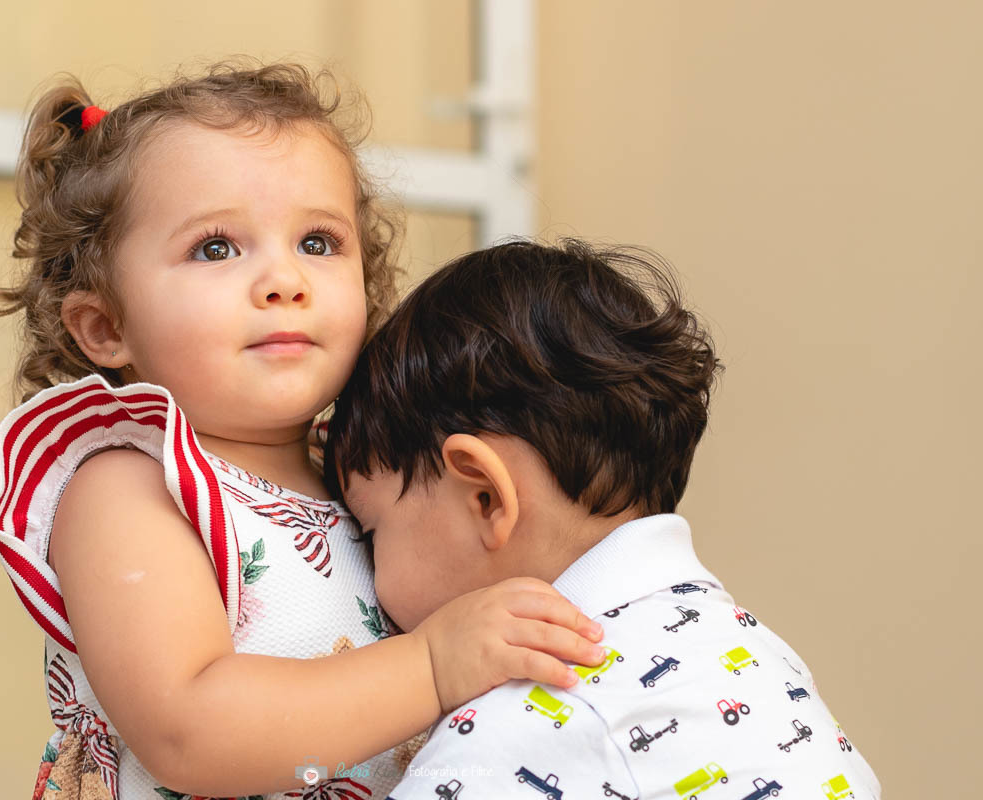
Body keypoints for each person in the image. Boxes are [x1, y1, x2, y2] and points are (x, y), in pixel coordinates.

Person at [0, 64, 607, 800]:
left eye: (318, 243)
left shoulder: (366, 480)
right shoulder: (129, 485)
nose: (285, 281)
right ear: (106, 326)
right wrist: (434, 664)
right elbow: (187, 733)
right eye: (216, 248)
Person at [327, 239, 882, 799]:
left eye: (370, 532)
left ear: (486, 498)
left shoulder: (526, 717)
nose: (368, 571)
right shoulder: (767, 659)